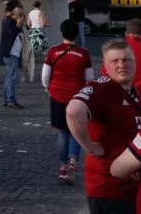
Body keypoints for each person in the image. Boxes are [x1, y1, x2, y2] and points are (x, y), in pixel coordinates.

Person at [67, 39, 141, 213]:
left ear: (135, 63)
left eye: (126, 60)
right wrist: (90, 147)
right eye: (115, 61)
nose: (122, 65)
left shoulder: (134, 91)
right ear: (105, 65)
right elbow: (73, 111)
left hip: (131, 187)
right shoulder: (101, 88)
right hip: (109, 189)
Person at [42, 19, 93, 185]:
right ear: (76, 34)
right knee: (75, 131)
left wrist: (48, 88)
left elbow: (45, 76)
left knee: (62, 132)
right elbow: (90, 78)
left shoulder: (53, 51)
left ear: (62, 32)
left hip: (57, 96)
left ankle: (63, 166)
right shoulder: (83, 53)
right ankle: (73, 161)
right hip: (77, 97)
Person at [1, 5, 26, 109]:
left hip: (13, 54)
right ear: (15, 15)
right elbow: (11, 34)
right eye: (21, 15)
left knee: (9, 77)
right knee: (12, 77)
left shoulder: (11, 21)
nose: (23, 17)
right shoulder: (10, 22)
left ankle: (6, 99)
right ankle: (11, 100)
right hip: (11, 54)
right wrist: (18, 25)